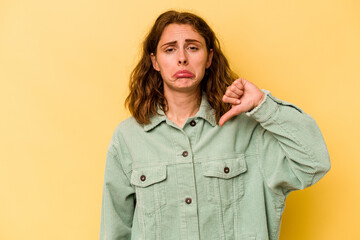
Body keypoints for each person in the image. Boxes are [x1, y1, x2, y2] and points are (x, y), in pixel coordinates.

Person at [99, 10, 330, 240]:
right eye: (170, 49)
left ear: (209, 58)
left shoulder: (247, 130)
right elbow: (115, 231)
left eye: (192, 47)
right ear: (154, 61)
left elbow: (314, 163)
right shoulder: (128, 137)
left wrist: (262, 104)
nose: (182, 58)